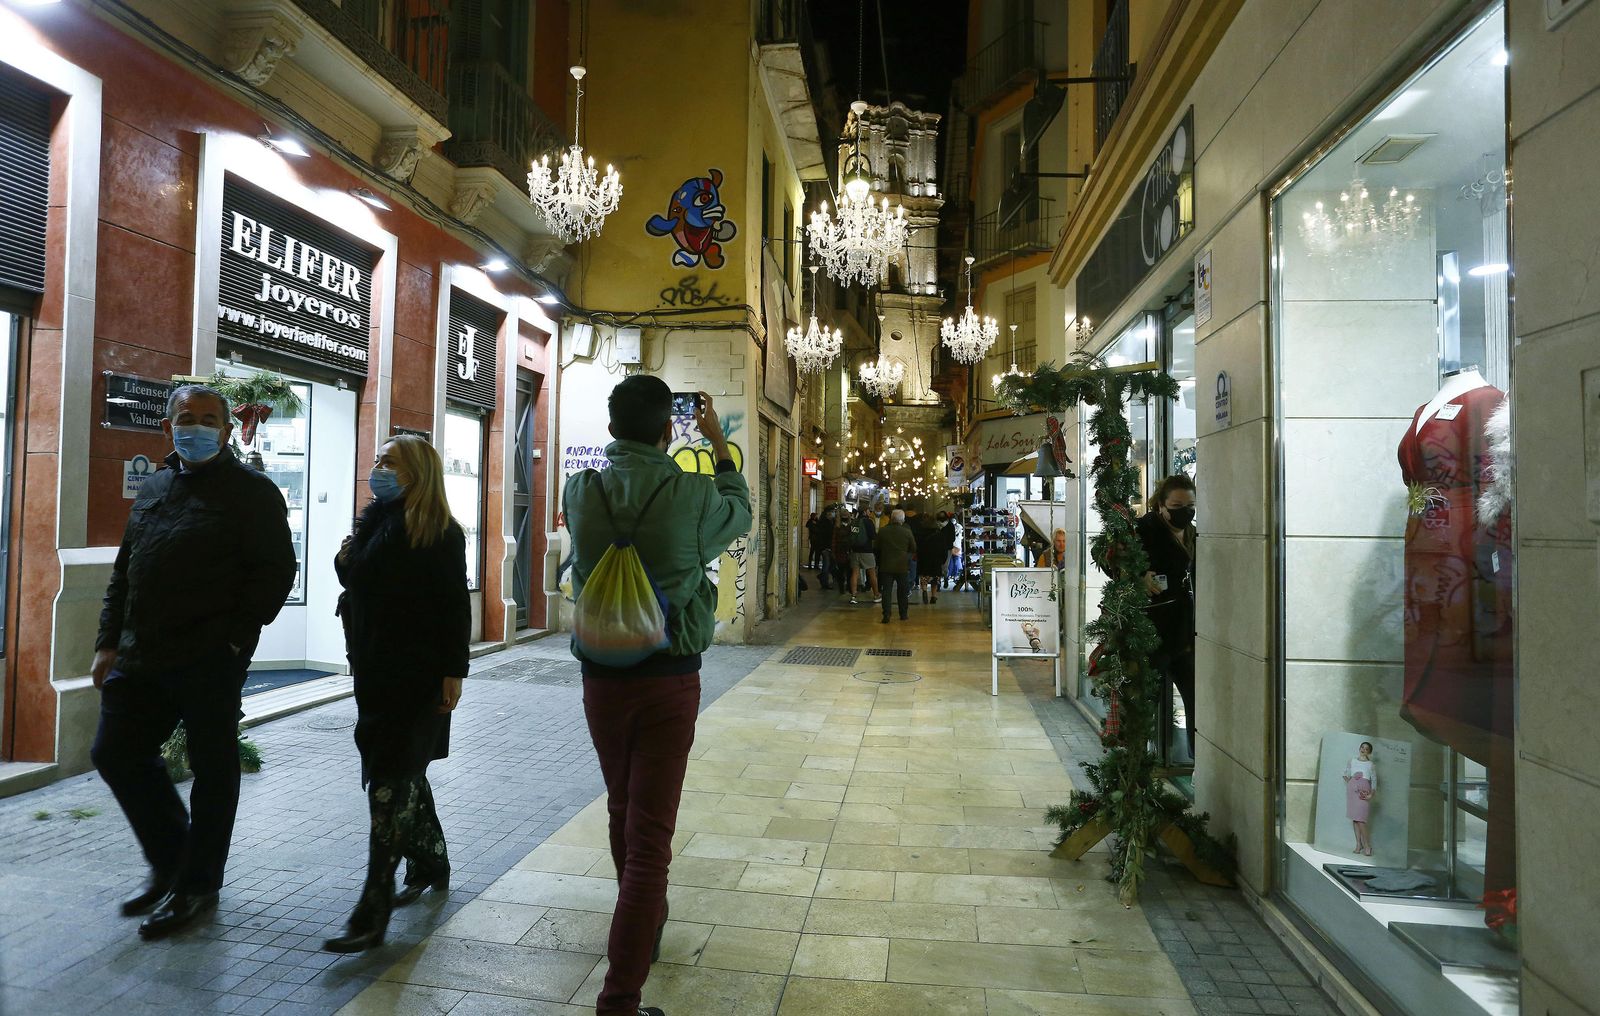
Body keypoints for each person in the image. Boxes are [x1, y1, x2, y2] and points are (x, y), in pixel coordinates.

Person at [563, 376, 751, 1016]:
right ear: (668, 428)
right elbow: (742, 512)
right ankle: (620, 998)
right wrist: (721, 448)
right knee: (652, 840)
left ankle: (641, 922)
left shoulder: (580, 489)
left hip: (601, 677)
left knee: (622, 806)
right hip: (669, 678)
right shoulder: (691, 494)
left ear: (612, 426)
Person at [90, 384, 297, 940]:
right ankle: (173, 859)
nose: (197, 427)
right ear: (168, 427)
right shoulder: (155, 485)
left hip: (208, 657)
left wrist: (233, 642)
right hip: (141, 653)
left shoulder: (254, 492)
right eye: (187, 418)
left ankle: (198, 885)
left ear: (228, 431)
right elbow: (125, 570)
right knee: (114, 751)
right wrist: (108, 641)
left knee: (213, 770)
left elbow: (277, 573)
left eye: (210, 419)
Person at [323, 435, 470, 953]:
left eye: (390, 462)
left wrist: (454, 672)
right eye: (378, 460)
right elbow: (356, 580)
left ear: (419, 473)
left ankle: (373, 907)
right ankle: (431, 861)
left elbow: (454, 606)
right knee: (402, 775)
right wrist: (348, 553)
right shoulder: (374, 523)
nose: (378, 468)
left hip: (419, 677)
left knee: (389, 781)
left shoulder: (441, 532)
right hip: (373, 670)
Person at [1137, 474, 1198, 760]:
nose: (1184, 511)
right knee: (1144, 702)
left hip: (1187, 634)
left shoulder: (1195, 534)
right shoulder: (1145, 530)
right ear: (1161, 504)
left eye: (1190, 505)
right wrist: (1138, 576)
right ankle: (1139, 765)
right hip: (1154, 632)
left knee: (1198, 701)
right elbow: (1114, 563)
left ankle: (1199, 763)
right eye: (1177, 504)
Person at [875, 509, 917, 623]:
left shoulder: (883, 531)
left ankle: (886, 615)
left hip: (886, 565)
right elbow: (914, 548)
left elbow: (876, 547)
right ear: (902, 520)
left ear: (891, 519)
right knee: (902, 591)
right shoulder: (907, 532)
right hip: (902, 565)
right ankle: (903, 614)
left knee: (886, 591)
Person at [1344, 741, 1378, 856]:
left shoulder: (1371, 764)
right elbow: (1346, 773)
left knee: (1360, 820)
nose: (1364, 749)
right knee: (1355, 819)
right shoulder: (1352, 761)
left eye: (1367, 748)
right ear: (1359, 748)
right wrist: (1351, 783)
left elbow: (1374, 780)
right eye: (1362, 747)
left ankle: (1367, 845)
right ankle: (1358, 844)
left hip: (1364, 792)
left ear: (1370, 752)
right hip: (1352, 792)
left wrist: (1371, 794)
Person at [847, 505, 880, 605]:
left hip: (855, 551)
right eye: (869, 511)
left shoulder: (854, 522)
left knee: (854, 573)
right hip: (867, 551)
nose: (870, 512)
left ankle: (853, 596)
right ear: (865, 512)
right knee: (872, 573)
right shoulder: (868, 522)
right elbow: (873, 536)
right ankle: (876, 595)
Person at [831, 508, 854, 598]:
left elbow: (834, 540)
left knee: (845, 571)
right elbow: (834, 540)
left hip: (843, 551)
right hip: (844, 551)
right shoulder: (847, 526)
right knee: (845, 571)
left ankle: (845, 588)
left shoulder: (838, 526)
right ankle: (846, 588)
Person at [812, 509, 835, 587]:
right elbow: (827, 536)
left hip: (823, 547)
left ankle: (822, 576)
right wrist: (827, 547)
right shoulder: (826, 524)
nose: (833, 514)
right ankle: (824, 582)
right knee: (827, 565)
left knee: (829, 565)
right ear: (828, 515)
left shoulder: (823, 522)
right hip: (826, 547)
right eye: (832, 512)